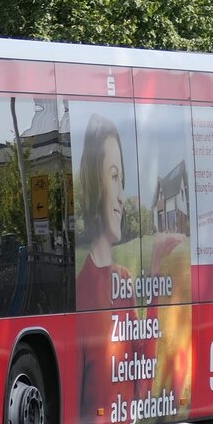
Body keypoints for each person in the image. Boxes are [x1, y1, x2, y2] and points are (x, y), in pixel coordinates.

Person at [75, 112, 135, 311]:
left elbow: (142, 345)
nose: (121, 196)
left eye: (122, 181)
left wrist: (155, 265)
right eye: (114, 176)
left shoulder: (125, 278)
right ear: (95, 184)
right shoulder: (81, 291)